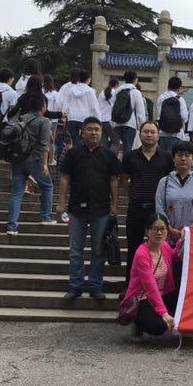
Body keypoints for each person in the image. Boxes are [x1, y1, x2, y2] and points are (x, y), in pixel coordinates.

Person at [59, 118, 121, 301]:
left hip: (101, 209)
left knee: (98, 250)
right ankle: (75, 286)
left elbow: (114, 181)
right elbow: (65, 178)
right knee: (75, 251)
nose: (93, 132)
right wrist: (61, 202)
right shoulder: (73, 153)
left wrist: (115, 205)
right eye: (89, 129)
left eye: (96, 129)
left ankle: (95, 286)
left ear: (101, 133)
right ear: (82, 132)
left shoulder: (109, 155)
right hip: (76, 209)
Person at [121, 121, 173, 280]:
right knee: (134, 247)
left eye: (152, 132)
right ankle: (131, 284)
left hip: (157, 210)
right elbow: (124, 180)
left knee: (158, 247)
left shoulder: (166, 157)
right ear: (140, 134)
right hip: (136, 207)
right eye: (146, 132)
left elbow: (170, 182)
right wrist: (133, 194)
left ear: (158, 136)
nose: (149, 135)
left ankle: (158, 282)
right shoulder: (130, 156)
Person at [125, 213, 184, 340]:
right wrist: (164, 313)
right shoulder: (142, 254)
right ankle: (137, 322)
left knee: (184, 298)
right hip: (143, 299)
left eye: (163, 229)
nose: (159, 233)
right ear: (147, 231)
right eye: (155, 229)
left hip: (163, 294)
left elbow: (175, 257)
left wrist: (182, 241)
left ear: (167, 231)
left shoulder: (165, 246)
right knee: (159, 327)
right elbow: (150, 287)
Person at [6, 93, 56, 235]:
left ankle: (12, 226)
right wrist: (45, 164)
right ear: (42, 106)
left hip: (18, 159)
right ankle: (45, 216)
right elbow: (45, 145)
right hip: (35, 160)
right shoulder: (44, 121)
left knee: (17, 193)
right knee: (47, 186)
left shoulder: (21, 118)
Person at [155, 140, 193, 245]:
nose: (183, 159)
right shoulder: (164, 182)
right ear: (173, 158)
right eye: (179, 155)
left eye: (187, 155)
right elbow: (159, 207)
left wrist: (189, 230)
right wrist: (169, 229)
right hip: (167, 236)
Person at [112, 71, 148, 155]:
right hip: (130, 124)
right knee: (127, 149)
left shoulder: (117, 91)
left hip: (116, 124)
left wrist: (112, 123)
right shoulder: (136, 92)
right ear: (135, 80)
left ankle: (113, 163)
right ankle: (126, 163)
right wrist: (142, 125)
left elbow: (112, 108)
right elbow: (140, 111)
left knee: (116, 148)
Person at [61, 69, 99, 145]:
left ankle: (76, 151)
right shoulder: (90, 91)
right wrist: (97, 119)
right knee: (85, 140)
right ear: (88, 79)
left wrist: (64, 116)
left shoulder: (71, 90)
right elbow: (94, 107)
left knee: (74, 141)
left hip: (72, 118)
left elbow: (66, 104)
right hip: (85, 118)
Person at [156, 76, 188, 155]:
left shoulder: (161, 97)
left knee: (162, 157)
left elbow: (159, 115)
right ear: (179, 88)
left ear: (168, 86)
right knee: (173, 157)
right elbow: (184, 117)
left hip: (162, 133)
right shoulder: (180, 99)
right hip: (176, 134)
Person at [43, 74, 61, 165]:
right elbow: (58, 106)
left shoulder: (42, 92)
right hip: (53, 119)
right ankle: (51, 159)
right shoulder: (55, 94)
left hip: (43, 117)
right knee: (51, 139)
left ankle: (43, 158)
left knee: (43, 138)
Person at [97, 77, 119, 150]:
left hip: (100, 121)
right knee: (115, 141)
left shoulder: (101, 93)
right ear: (116, 85)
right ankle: (111, 156)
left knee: (103, 143)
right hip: (110, 122)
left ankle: (104, 156)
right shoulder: (115, 93)